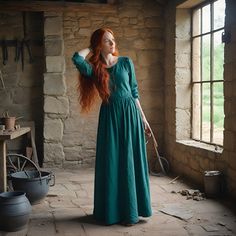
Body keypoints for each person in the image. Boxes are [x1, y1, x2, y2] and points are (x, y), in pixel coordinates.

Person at [72, 28, 152, 226]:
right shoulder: (96, 69)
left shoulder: (126, 62)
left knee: (130, 161)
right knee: (112, 162)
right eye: (107, 41)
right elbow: (76, 58)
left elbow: (134, 92)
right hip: (110, 117)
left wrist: (143, 118)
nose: (112, 44)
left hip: (131, 115)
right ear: (100, 45)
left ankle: (132, 211)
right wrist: (93, 47)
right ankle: (112, 212)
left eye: (113, 40)